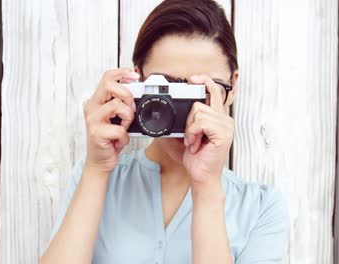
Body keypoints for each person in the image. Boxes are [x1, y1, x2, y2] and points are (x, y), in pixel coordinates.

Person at [40, 0, 288, 263]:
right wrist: (96, 168)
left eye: (203, 91)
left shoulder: (261, 208)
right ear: (137, 81)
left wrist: (206, 186)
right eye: (167, 89)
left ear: (232, 87)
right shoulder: (96, 176)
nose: (189, 113)